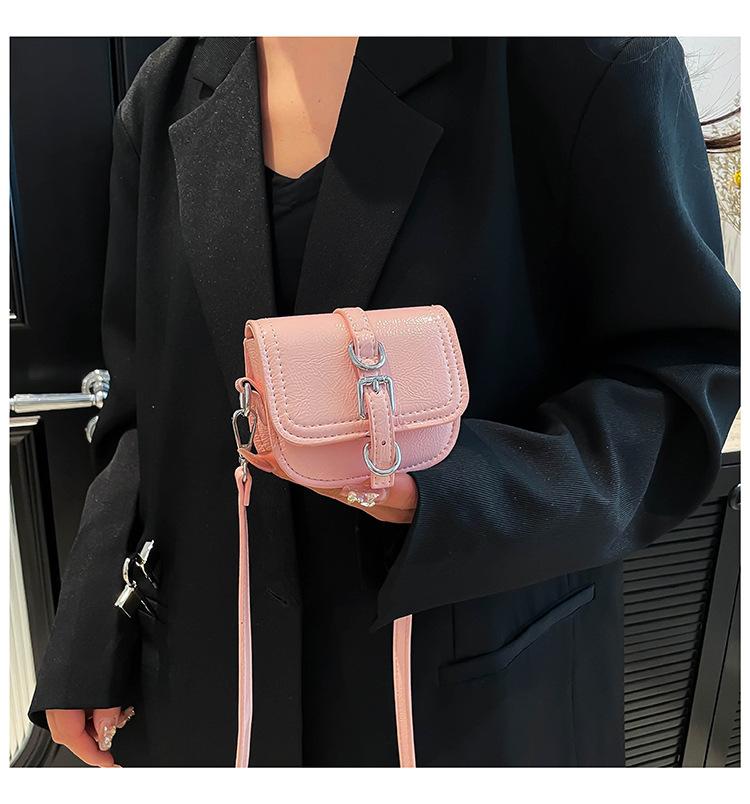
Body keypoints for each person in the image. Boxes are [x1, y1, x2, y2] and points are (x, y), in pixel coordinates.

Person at [28, 36, 740, 767]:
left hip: (469, 703)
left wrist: (450, 488)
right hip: (210, 692)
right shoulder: (164, 95)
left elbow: (679, 379)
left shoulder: (583, 55)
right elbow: (139, 405)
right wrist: (89, 627)